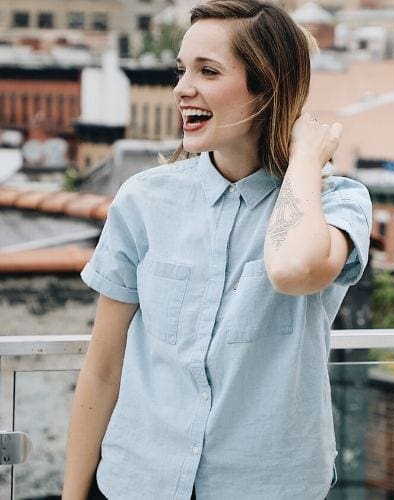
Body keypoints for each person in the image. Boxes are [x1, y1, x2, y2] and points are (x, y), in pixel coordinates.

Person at [62, 1, 372, 498]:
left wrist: (306, 158)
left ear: (268, 88)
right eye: (182, 70)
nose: (183, 88)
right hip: (136, 482)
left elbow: (295, 269)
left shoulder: (337, 202)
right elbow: (102, 369)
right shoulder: (143, 200)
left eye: (208, 71)